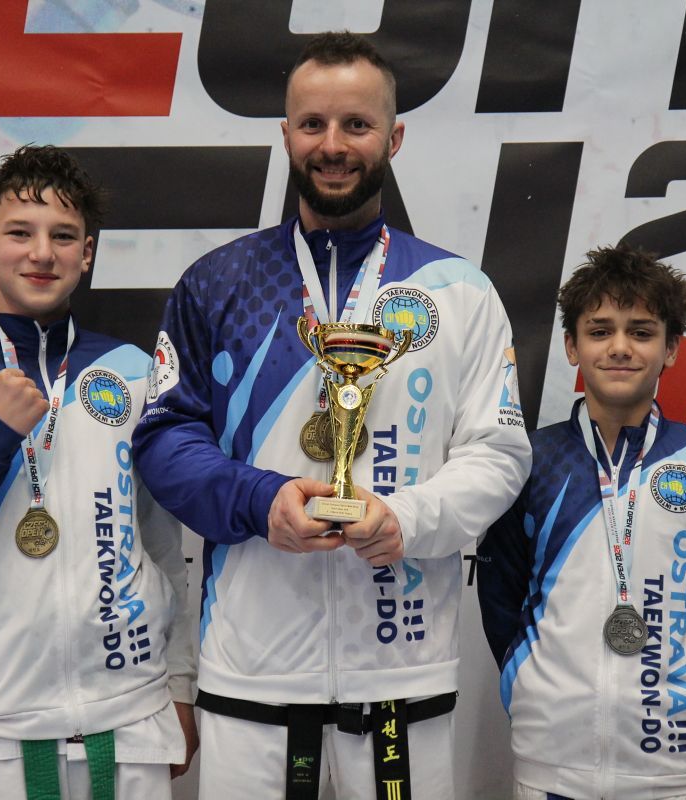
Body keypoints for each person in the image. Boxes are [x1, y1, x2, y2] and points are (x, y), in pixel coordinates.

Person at [132, 30, 531, 800]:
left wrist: (406, 518)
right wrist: (261, 501)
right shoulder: (217, 284)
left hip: (402, 679)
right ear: (287, 135)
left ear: (394, 137)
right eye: (313, 124)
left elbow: (499, 452)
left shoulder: (460, 292)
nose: (334, 145)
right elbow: (165, 439)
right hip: (253, 678)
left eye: (357, 124)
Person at [0, 144, 197, 800]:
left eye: (64, 236)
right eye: (19, 232)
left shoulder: (135, 372)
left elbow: (167, 547)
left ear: (88, 253)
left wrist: (180, 685)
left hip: (132, 714)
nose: (42, 253)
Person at [477, 245, 686, 800]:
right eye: (600, 331)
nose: (620, 347)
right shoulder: (529, 463)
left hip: (671, 773)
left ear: (671, 349)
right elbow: (500, 598)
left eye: (641, 332)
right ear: (572, 346)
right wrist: (532, 688)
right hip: (550, 769)